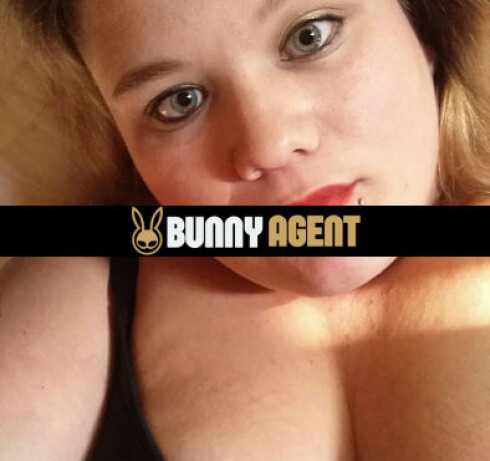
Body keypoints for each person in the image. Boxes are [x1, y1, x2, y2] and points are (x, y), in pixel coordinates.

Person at [0, 0, 489, 459]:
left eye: (310, 36)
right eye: (179, 101)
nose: (268, 145)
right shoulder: (82, 290)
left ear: (422, 26)